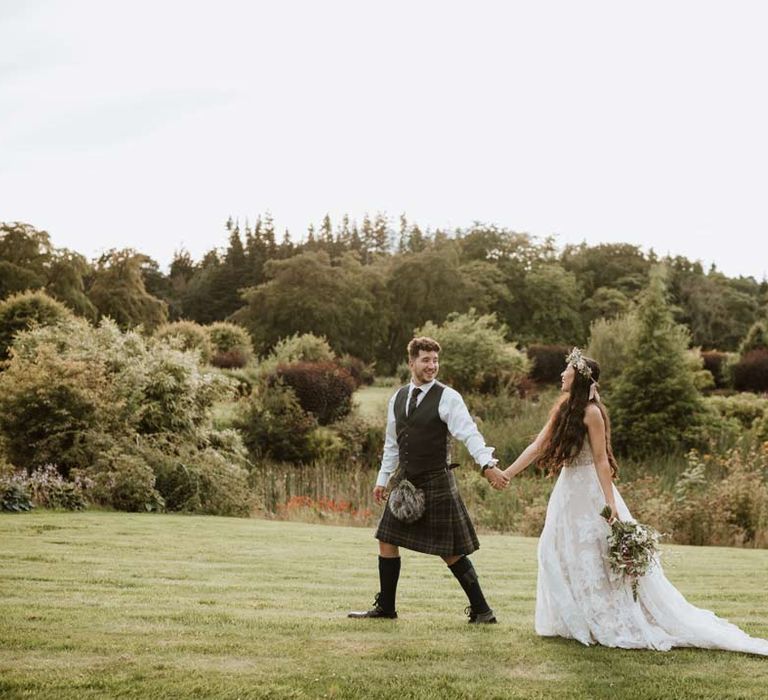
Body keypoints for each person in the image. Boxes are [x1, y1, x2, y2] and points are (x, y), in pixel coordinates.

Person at [503, 347, 768, 655]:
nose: (562, 374)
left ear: (579, 378)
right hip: (567, 490)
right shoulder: (564, 410)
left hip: (590, 490)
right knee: (558, 550)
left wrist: (610, 502)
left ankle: (607, 618)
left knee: (596, 555)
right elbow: (538, 446)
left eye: (568, 372)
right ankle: (575, 618)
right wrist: (506, 474)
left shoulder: (592, 412)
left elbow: (602, 461)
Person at [348, 336, 509, 623]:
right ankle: (386, 607)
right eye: (425, 360)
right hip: (405, 483)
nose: (432, 366)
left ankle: (482, 610)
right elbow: (392, 445)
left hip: (436, 481)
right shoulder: (397, 397)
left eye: (435, 360)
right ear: (411, 363)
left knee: (450, 552)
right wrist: (382, 479)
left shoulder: (448, 397)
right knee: (386, 539)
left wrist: (487, 464)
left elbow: (469, 433)